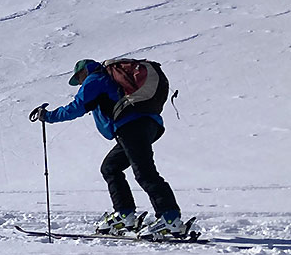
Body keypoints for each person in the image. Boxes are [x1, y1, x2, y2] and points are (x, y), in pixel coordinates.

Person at [31, 59, 185, 238]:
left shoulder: (95, 79)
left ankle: (170, 218)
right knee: (110, 167)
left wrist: (48, 116)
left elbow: (77, 107)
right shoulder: (106, 80)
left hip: (132, 126)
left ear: (85, 71)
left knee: (144, 172)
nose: (79, 82)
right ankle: (125, 214)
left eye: (79, 77)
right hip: (142, 125)